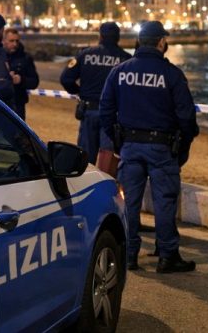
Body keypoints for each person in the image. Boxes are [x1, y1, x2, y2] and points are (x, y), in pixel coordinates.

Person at [100, 21, 199, 273]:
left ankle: (130, 254)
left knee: (130, 201)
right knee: (164, 201)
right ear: (161, 42)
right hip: (161, 147)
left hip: (130, 146)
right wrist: (183, 144)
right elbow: (187, 117)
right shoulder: (171, 74)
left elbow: (106, 111)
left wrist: (118, 140)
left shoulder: (120, 72)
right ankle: (167, 256)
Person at [60, 22, 131, 164]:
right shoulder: (126, 60)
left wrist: (80, 91)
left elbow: (66, 79)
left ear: (100, 36)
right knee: (108, 158)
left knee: (85, 159)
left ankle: (87, 184)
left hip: (88, 110)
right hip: (113, 114)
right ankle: (107, 184)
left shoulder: (85, 55)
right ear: (118, 37)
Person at [3, 27, 39, 120]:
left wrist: (20, 80)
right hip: (0, 102)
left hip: (18, 104)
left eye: (17, 41)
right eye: (11, 41)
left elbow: (34, 81)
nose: (15, 44)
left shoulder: (25, 58)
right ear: (4, 41)